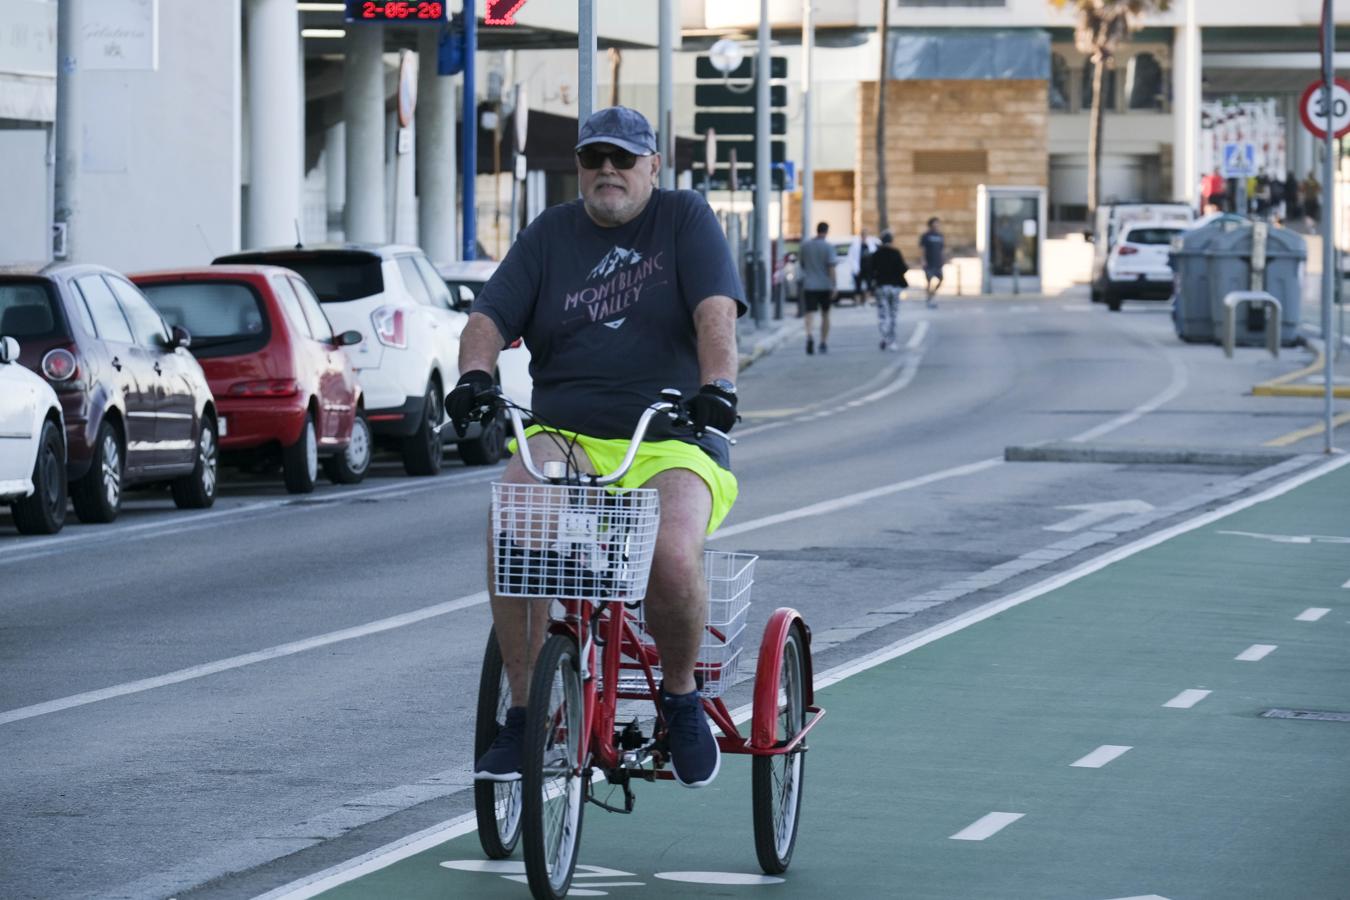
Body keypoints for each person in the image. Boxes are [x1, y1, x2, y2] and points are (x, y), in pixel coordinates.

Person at [448, 106, 746, 789]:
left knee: (671, 558)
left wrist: (718, 384)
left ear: (652, 166)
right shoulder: (552, 232)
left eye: (622, 156)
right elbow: (489, 315)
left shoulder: (684, 219)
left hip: (670, 434)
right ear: (579, 166)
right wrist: (473, 375)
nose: (607, 169)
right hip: (567, 434)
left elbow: (715, 313)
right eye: (593, 157)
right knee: (515, 529)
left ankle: (679, 698)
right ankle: (524, 714)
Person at [798, 221, 837, 354]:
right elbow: (831, 267)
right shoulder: (828, 247)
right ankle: (823, 342)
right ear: (826, 231)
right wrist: (834, 286)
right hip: (825, 285)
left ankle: (809, 335)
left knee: (809, 313)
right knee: (825, 314)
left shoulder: (805, 246)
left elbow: (802, 265)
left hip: (809, 285)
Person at [870, 230, 908, 351]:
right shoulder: (896, 253)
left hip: (881, 287)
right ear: (891, 240)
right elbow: (903, 268)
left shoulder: (876, 254)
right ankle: (892, 340)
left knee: (882, 314)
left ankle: (884, 336)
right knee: (893, 314)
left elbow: (870, 271)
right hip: (895, 287)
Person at [847, 229, 879, 306]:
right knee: (857, 286)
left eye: (865, 234)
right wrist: (854, 268)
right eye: (863, 234)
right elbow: (851, 257)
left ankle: (866, 301)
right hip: (858, 268)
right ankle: (858, 302)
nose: (864, 236)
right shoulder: (855, 244)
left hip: (868, 268)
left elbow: (874, 254)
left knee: (868, 285)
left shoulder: (870, 243)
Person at [920, 217, 945, 309]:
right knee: (929, 281)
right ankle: (928, 299)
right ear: (931, 224)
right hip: (929, 262)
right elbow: (923, 249)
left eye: (938, 223)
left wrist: (943, 259)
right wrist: (923, 260)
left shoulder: (940, 236)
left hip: (937, 262)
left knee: (941, 279)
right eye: (935, 223)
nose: (937, 225)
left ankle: (932, 293)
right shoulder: (926, 236)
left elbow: (942, 249)